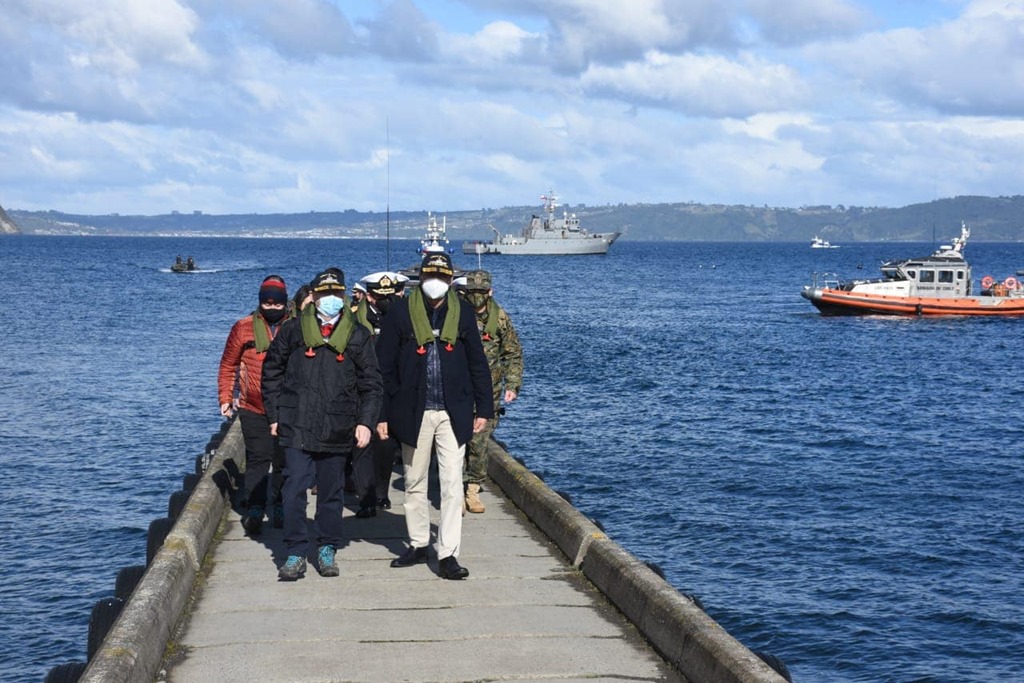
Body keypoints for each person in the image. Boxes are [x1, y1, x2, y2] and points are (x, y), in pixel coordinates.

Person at [375, 252, 493, 580]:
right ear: (421, 279)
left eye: (442, 276)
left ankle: (448, 553)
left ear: (451, 280)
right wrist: (381, 414)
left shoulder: (463, 312)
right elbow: (383, 368)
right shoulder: (400, 312)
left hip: (453, 411)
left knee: (452, 484)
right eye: (430, 276)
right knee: (414, 480)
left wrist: (483, 408)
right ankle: (417, 543)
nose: (436, 282)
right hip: (413, 411)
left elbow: (477, 363)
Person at [262, 268, 382, 581]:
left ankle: (327, 546)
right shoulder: (293, 331)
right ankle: (295, 551)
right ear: (314, 297)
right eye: (325, 293)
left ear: (343, 296)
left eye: (336, 293)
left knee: (331, 493)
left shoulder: (357, 335)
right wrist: (274, 415)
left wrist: (366, 422)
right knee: (293, 489)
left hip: (337, 425)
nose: (331, 298)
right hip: (297, 424)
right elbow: (272, 371)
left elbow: (371, 384)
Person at [217, 275, 293, 535]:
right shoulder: (243, 328)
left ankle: (281, 504)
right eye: (267, 302)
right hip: (253, 404)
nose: (272, 307)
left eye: (277, 303)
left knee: (284, 459)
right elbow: (228, 364)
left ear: (285, 302)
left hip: (287, 406)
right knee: (258, 457)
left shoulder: (295, 326)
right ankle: (255, 508)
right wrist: (226, 397)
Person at [457, 270, 523, 513]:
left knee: (479, 441)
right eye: (472, 292)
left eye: (481, 292)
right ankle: (455, 489)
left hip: (489, 391)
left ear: (490, 292)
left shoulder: (500, 318)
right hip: (459, 388)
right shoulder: (456, 315)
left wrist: (512, 385)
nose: (477, 296)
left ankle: (472, 489)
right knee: (456, 440)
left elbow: (512, 353)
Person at [350, 271, 407, 517]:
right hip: (361, 387)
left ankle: (381, 492)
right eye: (380, 296)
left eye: (389, 295)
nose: (386, 300)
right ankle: (366, 497)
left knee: (386, 444)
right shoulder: (355, 319)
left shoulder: (401, 318)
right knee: (363, 443)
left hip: (390, 388)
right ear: (370, 296)